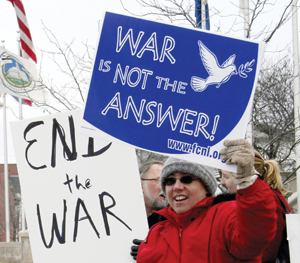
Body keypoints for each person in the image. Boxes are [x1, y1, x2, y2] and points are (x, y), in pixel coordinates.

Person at [136, 139, 277, 263]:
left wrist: (248, 182)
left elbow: (255, 236)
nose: (177, 187)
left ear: (206, 187)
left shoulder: (227, 216)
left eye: (187, 179)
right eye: (170, 181)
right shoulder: (156, 233)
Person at [220, 149, 291, 263]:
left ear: (243, 175)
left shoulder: (266, 202)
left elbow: (266, 252)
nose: (222, 182)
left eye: (226, 177)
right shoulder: (266, 198)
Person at [139, 160, 168, 227]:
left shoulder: (173, 222)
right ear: (141, 184)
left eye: (168, 182)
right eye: (159, 181)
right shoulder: (125, 215)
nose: (165, 188)